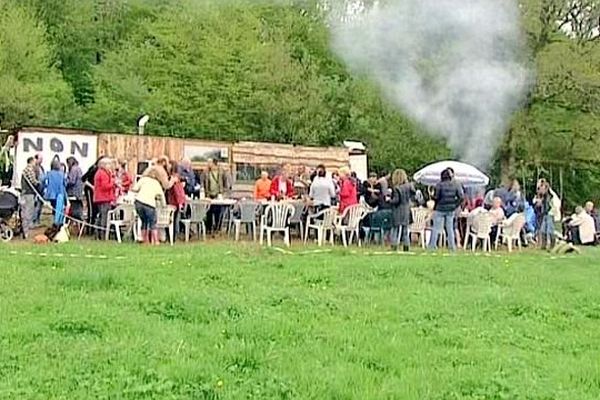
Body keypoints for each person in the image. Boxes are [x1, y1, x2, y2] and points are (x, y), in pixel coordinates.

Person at [428, 168, 464, 251]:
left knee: (436, 228)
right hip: (451, 209)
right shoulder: (456, 184)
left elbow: (436, 197)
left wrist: (432, 196)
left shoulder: (439, 185)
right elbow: (461, 197)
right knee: (450, 228)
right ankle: (452, 246)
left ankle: (432, 246)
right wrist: (455, 205)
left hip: (439, 208)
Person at [131, 170, 166, 245]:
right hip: (149, 204)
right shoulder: (156, 183)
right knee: (153, 222)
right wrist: (164, 205)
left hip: (139, 202)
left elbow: (134, 189)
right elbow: (161, 195)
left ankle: (145, 240)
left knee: (144, 222)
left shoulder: (143, 180)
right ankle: (156, 241)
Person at [388, 169, 415, 252]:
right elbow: (413, 195)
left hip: (398, 210)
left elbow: (396, 200)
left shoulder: (396, 188)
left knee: (395, 229)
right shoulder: (409, 186)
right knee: (405, 230)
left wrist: (389, 200)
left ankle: (394, 246)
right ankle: (406, 247)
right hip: (407, 209)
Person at [93, 158, 116, 239]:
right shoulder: (102, 173)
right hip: (103, 198)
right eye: (109, 164)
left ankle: (98, 233)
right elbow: (104, 186)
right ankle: (102, 234)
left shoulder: (101, 172)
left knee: (101, 216)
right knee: (104, 217)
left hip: (102, 198)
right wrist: (113, 182)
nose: (110, 166)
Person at [20, 157, 40, 239]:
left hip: (24, 193)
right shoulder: (29, 170)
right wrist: (40, 182)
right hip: (29, 193)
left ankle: (24, 231)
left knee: (24, 212)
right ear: (31, 162)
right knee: (28, 212)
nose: (35, 164)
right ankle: (26, 232)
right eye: (34, 162)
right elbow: (33, 181)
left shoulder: (24, 170)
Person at [533, 178, 555, 250]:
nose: (540, 190)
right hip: (545, 213)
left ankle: (552, 244)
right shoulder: (543, 196)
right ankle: (544, 245)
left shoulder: (549, 195)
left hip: (550, 213)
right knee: (543, 229)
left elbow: (549, 205)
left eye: (541, 188)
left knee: (550, 229)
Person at [66, 157, 84, 226]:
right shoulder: (79, 168)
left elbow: (72, 181)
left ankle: (76, 221)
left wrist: (65, 182)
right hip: (79, 192)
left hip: (73, 192)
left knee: (74, 208)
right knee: (78, 207)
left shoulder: (73, 169)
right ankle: (79, 222)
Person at [32, 153, 46, 226]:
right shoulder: (34, 168)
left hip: (42, 190)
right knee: (36, 206)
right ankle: (33, 221)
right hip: (36, 190)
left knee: (40, 206)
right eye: (40, 159)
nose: (41, 161)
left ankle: (37, 220)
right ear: (36, 159)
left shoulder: (42, 167)